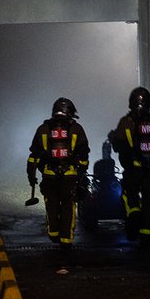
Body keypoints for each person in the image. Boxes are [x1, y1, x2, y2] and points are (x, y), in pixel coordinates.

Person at [108, 86, 150, 249]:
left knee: (128, 194)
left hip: (132, 169)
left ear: (131, 103)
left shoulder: (126, 122)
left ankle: (133, 214)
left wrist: (117, 142)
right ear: (149, 103)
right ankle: (147, 236)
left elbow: (117, 144)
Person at [26, 97, 90, 249]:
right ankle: (66, 240)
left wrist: (31, 174)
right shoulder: (77, 129)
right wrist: (81, 171)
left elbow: (34, 155)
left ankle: (53, 233)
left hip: (49, 175)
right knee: (69, 206)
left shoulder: (43, 129)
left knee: (51, 203)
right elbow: (84, 153)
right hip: (69, 175)